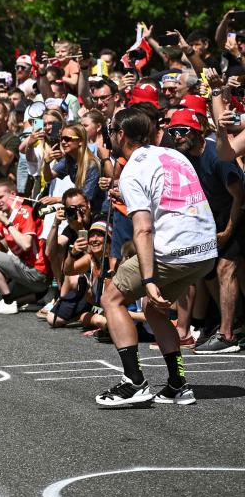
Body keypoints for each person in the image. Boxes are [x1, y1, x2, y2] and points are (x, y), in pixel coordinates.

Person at [96, 108, 216, 407]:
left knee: (111, 298)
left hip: (173, 249)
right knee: (154, 309)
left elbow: (144, 229)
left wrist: (148, 279)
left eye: (111, 131)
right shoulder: (172, 155)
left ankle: (134, 381)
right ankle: (178, 384)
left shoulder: (132, 170)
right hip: (205, 251)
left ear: (120, 134)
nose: (109, 136)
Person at [167, 109, 244, 354]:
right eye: (172, 132)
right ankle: (233, 323)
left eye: (182, 131)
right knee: (207, 271)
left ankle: (227, 334)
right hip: (213, 222)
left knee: (226, 268)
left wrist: (229, 231)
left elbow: (240, 196)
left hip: (238, 215)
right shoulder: (186, 157)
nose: (177, 136)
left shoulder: (215, 155)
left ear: (197, 132)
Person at [0, 179, 50, 314]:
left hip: (38, 272)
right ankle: (40, 296)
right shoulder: (7, 217)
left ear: (13, 194)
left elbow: (26, 245)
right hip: (26, 272)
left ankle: (9, 303)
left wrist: (6, 222)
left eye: (0, 197)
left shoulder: (25, 212)